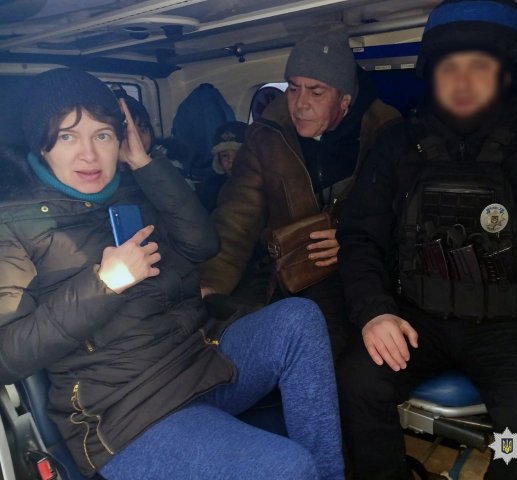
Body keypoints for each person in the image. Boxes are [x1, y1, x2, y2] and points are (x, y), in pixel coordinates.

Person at [335, 1, 517, 479]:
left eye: (478, 65)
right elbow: (359, 234)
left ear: (506, 72)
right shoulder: (396, 142)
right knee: (354, 382)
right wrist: (374, 311)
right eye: (449, 67)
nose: (461, 81)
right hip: (414, 317)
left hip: (509, 325)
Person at [0, 68, 343, 480]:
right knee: (289, 467)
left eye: (103, 135)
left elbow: (203, 245)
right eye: (68, 137)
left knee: (299, 319)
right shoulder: (13, 226)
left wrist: (146, 164)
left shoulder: (134, 188)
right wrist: (103, 285)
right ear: (42, 145)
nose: (89, 155)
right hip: (127, 412)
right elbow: (7, 355)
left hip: (199, 362)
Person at [199, 28, 401, 359]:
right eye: (293, 88)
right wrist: (209, 284)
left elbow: (402, 214)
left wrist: (352, 237)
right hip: (284, 274)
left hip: (360, 272)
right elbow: (236, 219)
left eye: (316, 92)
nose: (300, 104)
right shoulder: (266, 136)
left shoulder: (385, 133)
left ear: (345, 100)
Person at [198, 121, 248, 212]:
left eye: (237, 153)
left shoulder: (263, 186)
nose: (231, 160)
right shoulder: (211, 189)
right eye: (224, 155)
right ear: (218, 161)